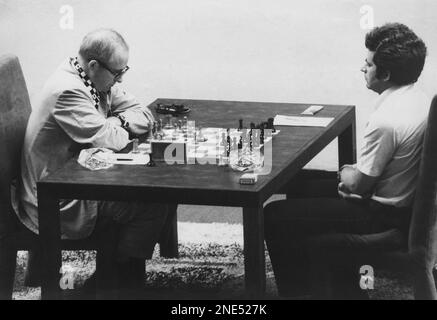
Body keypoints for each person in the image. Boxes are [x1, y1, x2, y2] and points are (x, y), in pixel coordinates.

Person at [264, 23, 430, 299]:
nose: (363, 69)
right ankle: (314, 281)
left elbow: (357, 186)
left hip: (381, 215)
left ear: (386, 73)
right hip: (402, 203)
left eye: (368, 64)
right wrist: (348, 177)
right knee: (299, 185)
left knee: (273, 215)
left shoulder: (386, 121)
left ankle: (297, 293)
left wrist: (346, 175)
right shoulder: (418, 99)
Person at [12, 28, 170, 296]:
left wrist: (116, 122)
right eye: (117, 73)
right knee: (153, 199)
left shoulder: (91, 78)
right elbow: (112, 140)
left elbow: (143, 114)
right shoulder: (68, 92)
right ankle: (117, 278)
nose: (120, 79)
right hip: (54, 198)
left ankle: (116, 271)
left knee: (153, 190)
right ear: (95, 65)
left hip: (77, 178)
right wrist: (114, 128)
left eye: (124, 71)